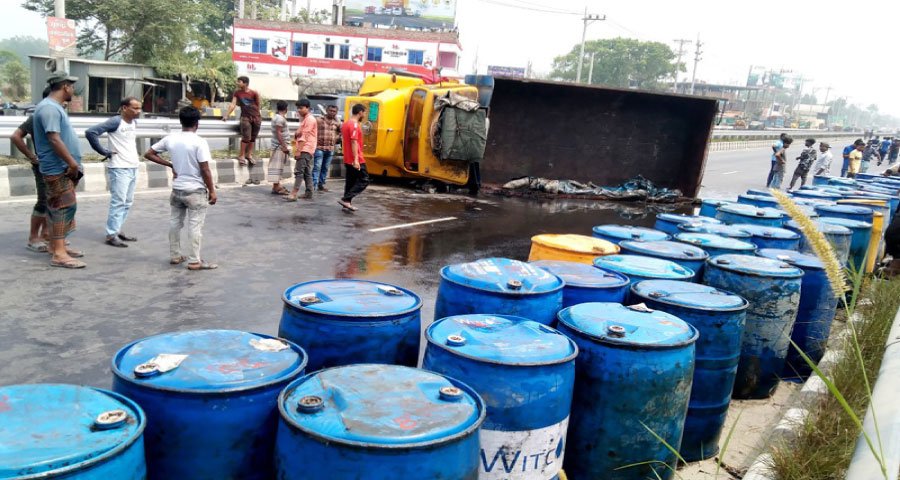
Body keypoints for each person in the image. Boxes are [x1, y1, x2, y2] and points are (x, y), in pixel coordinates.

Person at [144, 106, 218, 270]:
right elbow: (205, 169)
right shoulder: (199, 142)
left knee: (175, 223)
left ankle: (175, 255)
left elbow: (148, 153)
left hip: (177, 189)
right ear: (197, 123)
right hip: (195, 191)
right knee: (195, 226)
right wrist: (212, 190)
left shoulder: (170, 139)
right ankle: (194, 261)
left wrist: (170, 165)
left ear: (181, 122)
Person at [33, 70, 85, 269]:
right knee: (63, 208)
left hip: (61, 167)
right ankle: (59, 254)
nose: (73, 90)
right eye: (72, 86)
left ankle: (55, 246)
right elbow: (53, 139)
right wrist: (72, 163)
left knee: (58, 207)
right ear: (65, 86)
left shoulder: (53, 107)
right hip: (58, 168)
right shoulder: (49, 108)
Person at [86, 97, 142, 248]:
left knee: (127, 202)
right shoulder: (115, 121)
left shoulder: (134, 122)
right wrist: (103, 151)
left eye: (139, 108)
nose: (138, 111)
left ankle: (117, 229)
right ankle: (111, 235)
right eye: (135, 108)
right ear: (124, 108)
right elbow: (91, 132)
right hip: (119, 168)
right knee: (118, 202)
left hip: (132, 166)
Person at [10, 87, 51, 253]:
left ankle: (46, 234)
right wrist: (32, 156)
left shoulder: (58, 115)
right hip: (43, 165)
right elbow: (15, 136)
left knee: (54, 200)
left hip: (57, 165)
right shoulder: (36, 117)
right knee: (44, 200)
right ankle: (33, 238)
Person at [222, 76, 261, 166]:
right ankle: (241, 155)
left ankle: (249, 155)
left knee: (253, 138)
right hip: (245, 117)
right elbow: (233, 104)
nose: (237, 83)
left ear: (245, 83)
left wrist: (258, 117)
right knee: (246, 137)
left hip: (256, 117)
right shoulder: (237, 93)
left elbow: (258, 105)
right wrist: (227, 115)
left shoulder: (254, 93)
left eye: (239, 81)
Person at [339, 103, 369, 211]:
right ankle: (346, 199)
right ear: (360, 112)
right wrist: (356, 159)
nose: (364, 115)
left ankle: (347, 203)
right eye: (364, 113)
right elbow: (353, 142)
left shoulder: (346, 124)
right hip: (355, 158)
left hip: (348, 157)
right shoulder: (354, 125)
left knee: (350, 181)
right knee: (364, 180)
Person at [286, 99, 317, 201]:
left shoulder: (309, 120)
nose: (299, 110)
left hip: (305, 148)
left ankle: (294, 193)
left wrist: (298, 150)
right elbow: (299, 133)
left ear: (307, 108)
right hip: (306, 148)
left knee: (299, 171)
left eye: (301, 108)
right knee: (306, 172)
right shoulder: (305, 119)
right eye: (298, 108)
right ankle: (309, 192)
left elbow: (304, 136)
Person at [312, 105, 341, 192]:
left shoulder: (336, 123)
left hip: (330, 149)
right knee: (317, 167)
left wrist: (336, 138)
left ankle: (321, 184)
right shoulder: (319, 120)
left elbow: (341, 131)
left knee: (325, 168)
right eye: (330, 111)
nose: (332, 113)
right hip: (319, 148)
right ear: (326, 111)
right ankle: (313, 185)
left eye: (334, 111)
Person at [267, 100, 291, 195]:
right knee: (277, 167)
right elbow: (278, 133)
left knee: (278, 167)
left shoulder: (277, 117)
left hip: (278, 145)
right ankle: (276, 187)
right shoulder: (280, 119)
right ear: (286, 109)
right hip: (279, 146)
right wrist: (284, 146)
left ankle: (276, 186)